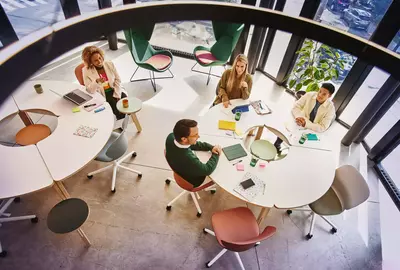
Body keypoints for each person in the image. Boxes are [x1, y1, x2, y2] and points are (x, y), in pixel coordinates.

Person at [274, 83, 336, 150]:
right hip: (300, 119)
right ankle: (276, 145)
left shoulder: (331, 109)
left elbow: (323, 127)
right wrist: (299, 117)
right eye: (320, 91)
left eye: (324, 94)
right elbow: (296, 107)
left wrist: (305, 123)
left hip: (313, 128)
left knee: (301, 143)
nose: (320, 95)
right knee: (286, 129)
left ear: (329, 96)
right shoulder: (309, 95)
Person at [165, 119, 222, 188]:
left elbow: (191, 144)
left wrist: (210, 147)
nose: (198, 137)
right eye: (195, 135)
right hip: (192, 181)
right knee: (219, 174)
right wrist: (216, 153)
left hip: (178, 169)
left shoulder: (171, 137)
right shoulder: (188, 158)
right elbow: (207, 170)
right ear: (184, 139)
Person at [82, 46, 127, 120]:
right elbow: (89, 90)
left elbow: (118, 79)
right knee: (116, 107)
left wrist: (117, 94)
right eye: (95, 60)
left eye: (100, 58)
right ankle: (121, 122)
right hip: (102, 94)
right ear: (91, 62)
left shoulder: (109, 64)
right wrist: (96, 82)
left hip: (115, 89)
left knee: (124, 101)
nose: (99, 61)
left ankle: (123, 120)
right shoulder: (86, 71)